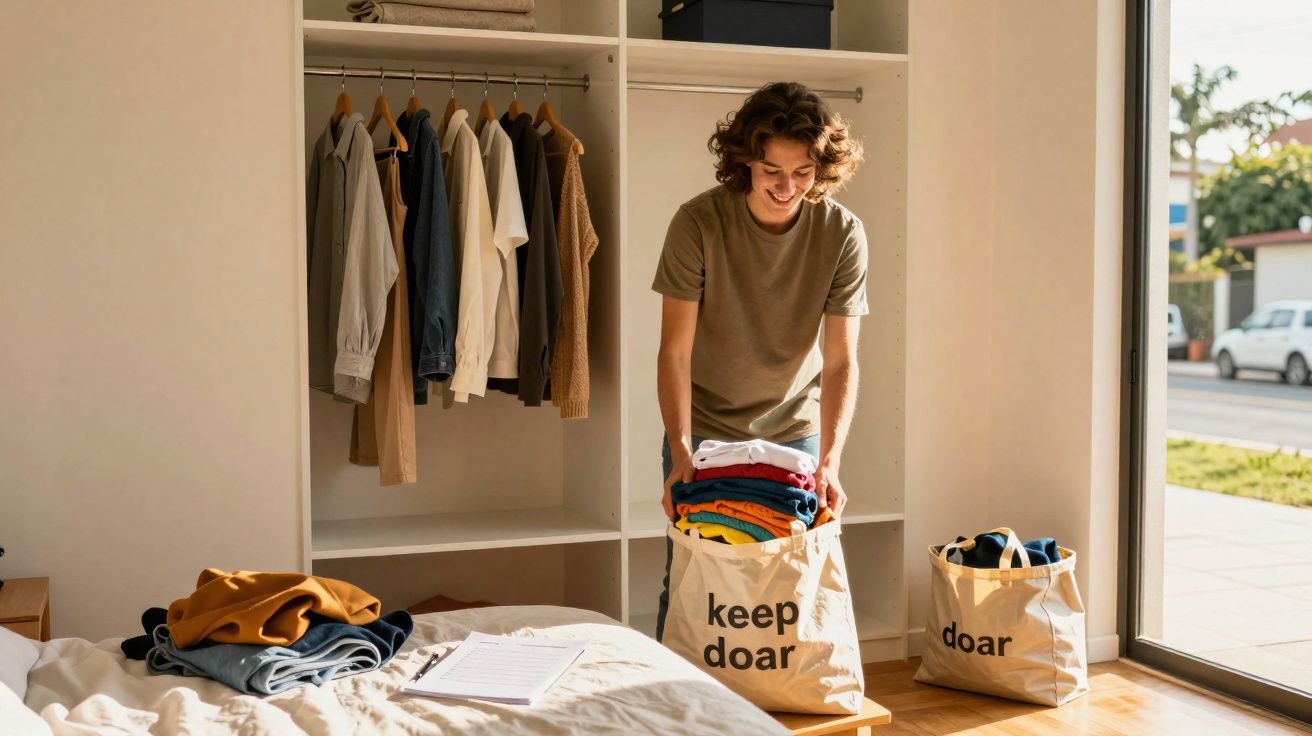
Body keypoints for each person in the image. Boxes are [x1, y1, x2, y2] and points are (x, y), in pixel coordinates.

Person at [650, 81, 867, 641]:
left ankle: (776, 694)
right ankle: (678, 692)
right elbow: (674, 351)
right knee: (694, 580)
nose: (786, 187)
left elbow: (840, 361)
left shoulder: (843, 233)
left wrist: (830, 462)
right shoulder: (697, 223)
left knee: (788, 589)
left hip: (795, 431)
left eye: (803, 173)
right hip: (705, 431)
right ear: (745, 159)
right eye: (772, 170)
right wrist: (680, 449)